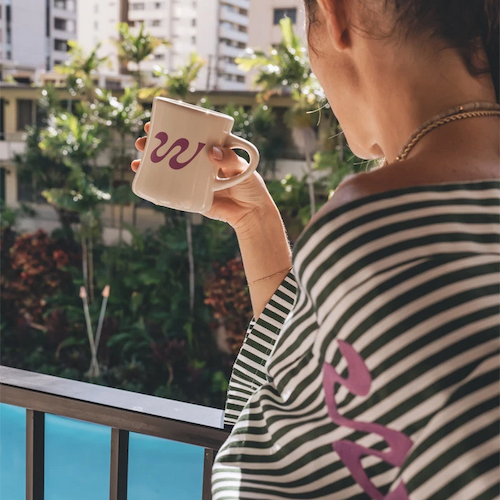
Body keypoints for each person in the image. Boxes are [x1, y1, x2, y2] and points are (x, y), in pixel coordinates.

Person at [133, 0, 500, 497]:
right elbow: (313, 372)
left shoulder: (378, 219)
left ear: (335, 15)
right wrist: (255, 221)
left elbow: (269, 471)